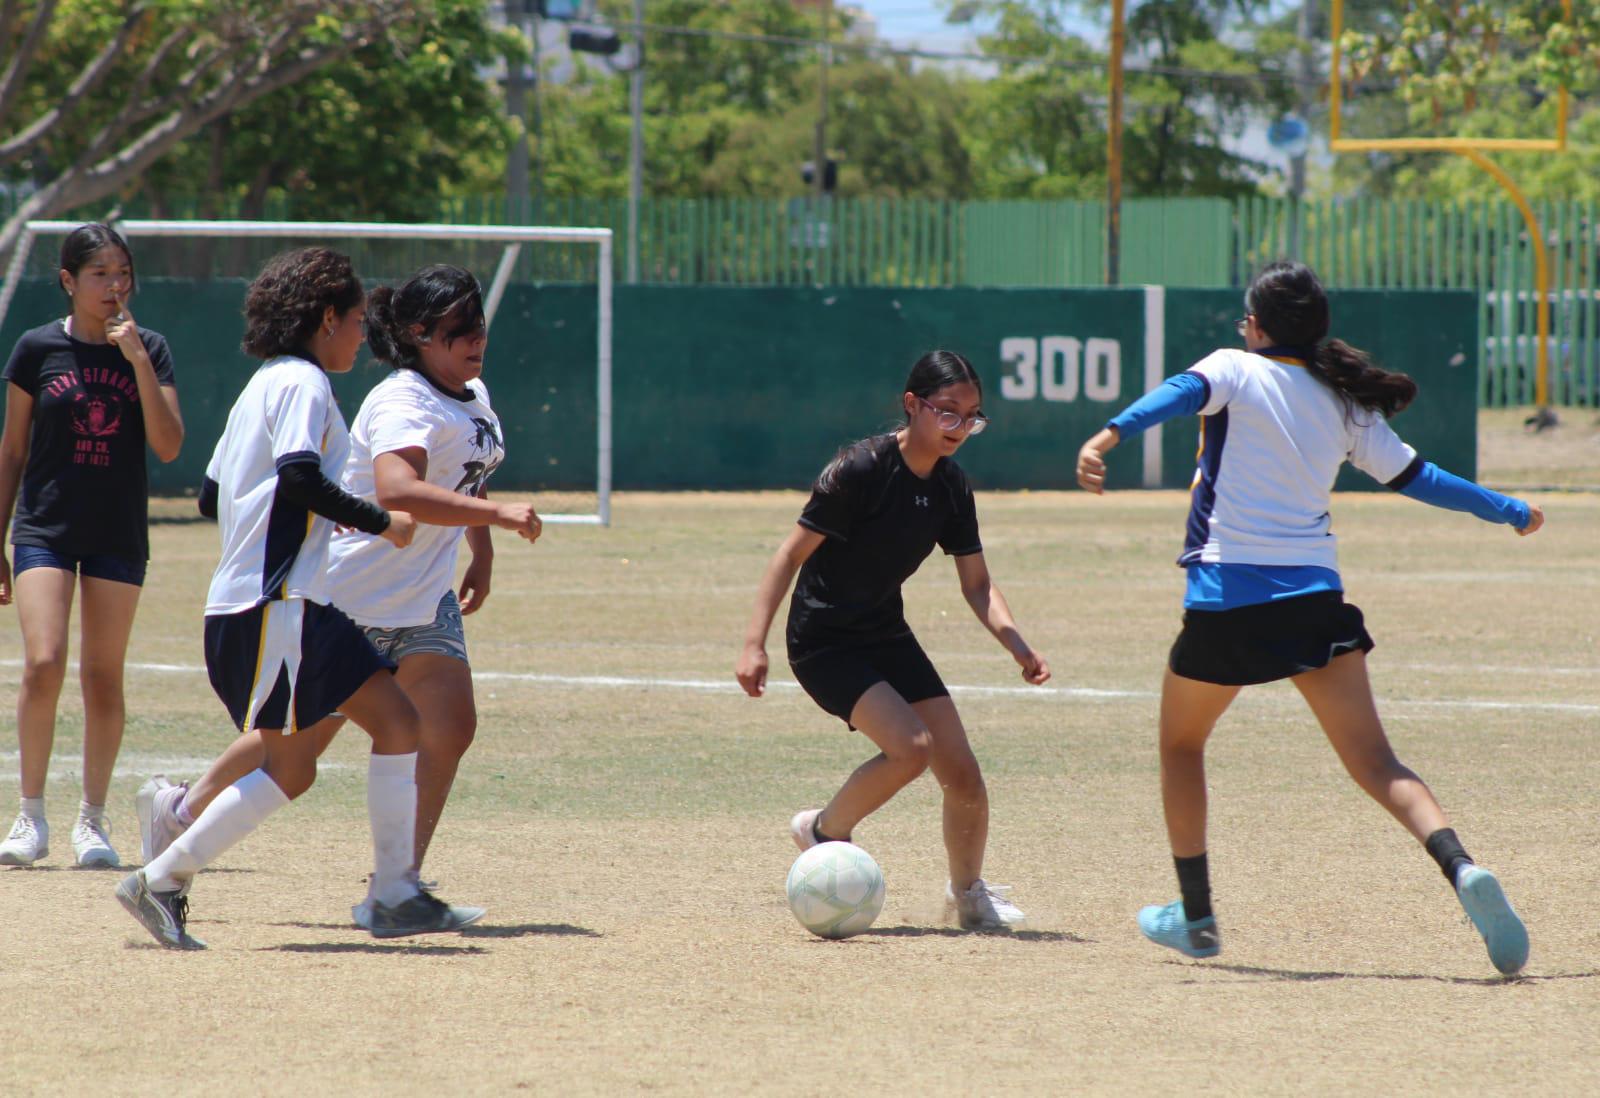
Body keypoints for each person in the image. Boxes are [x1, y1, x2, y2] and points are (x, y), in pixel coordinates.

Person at [1076, 260, 1541, 976]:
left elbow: (1175, 395)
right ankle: (1461, 867)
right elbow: (1425, 480)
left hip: (1227, 603)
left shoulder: (1234, 367)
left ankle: (1197, 918)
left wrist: (1105, 438)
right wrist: (1509, 508)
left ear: (1257, 328)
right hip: (1316, 604)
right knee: (1378, 763)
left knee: (1180, 747)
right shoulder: (1344, 402)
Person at [135, 264, 539, 928]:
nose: (360, 334)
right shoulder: (314, 384)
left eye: (479, 328)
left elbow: (214, 494)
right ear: (328, 320)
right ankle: (178, 838)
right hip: (321, 598)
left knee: (393, 732)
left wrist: (479, 549)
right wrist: (372, 521)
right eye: (353, 321)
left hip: (339, 598)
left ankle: (393, 888)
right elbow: (333, 482)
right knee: (299, 750)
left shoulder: (269, 382)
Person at [736, 350, 1051, 931]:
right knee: (912, 747)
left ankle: (968, 896)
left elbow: (977, 584)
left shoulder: (952, 487)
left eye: (972, 416)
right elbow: (789, 556)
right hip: (824, 639)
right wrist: (754, 643)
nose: (960, 428)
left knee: (963, 775)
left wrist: (1017, 644)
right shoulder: (860, 469)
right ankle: (823, 831)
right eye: (948, 413)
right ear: (913, 405)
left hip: (885, 632)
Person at [0, 223, 184, 869]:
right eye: (100, 274)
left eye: (122, 273)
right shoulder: (33, 348)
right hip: (45, 527)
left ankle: (92, 821)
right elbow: (13, 450)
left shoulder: (151, 348)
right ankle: (29, 818)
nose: (114, 286)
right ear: (68, 281)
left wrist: (135, 360)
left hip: (116, 531)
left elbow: (168, 444)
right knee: (43, 662)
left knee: (102, 677)